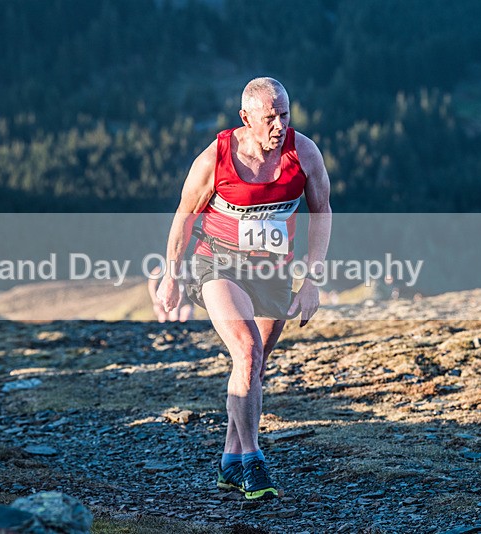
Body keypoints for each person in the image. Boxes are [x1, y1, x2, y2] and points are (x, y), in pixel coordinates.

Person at [157, 77, 331, 500]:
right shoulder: (215, 157)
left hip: (273, 270)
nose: (278, 126)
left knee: (254, 364)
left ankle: (230, 459)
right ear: (245, 117)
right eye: (269, 118)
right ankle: (253, 460)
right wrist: (172, 274)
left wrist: (311, 281)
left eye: (285, 115)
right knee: (247, 349)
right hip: (217, 261)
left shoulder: (303, 153)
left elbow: (322, 211)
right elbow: (183, 215)